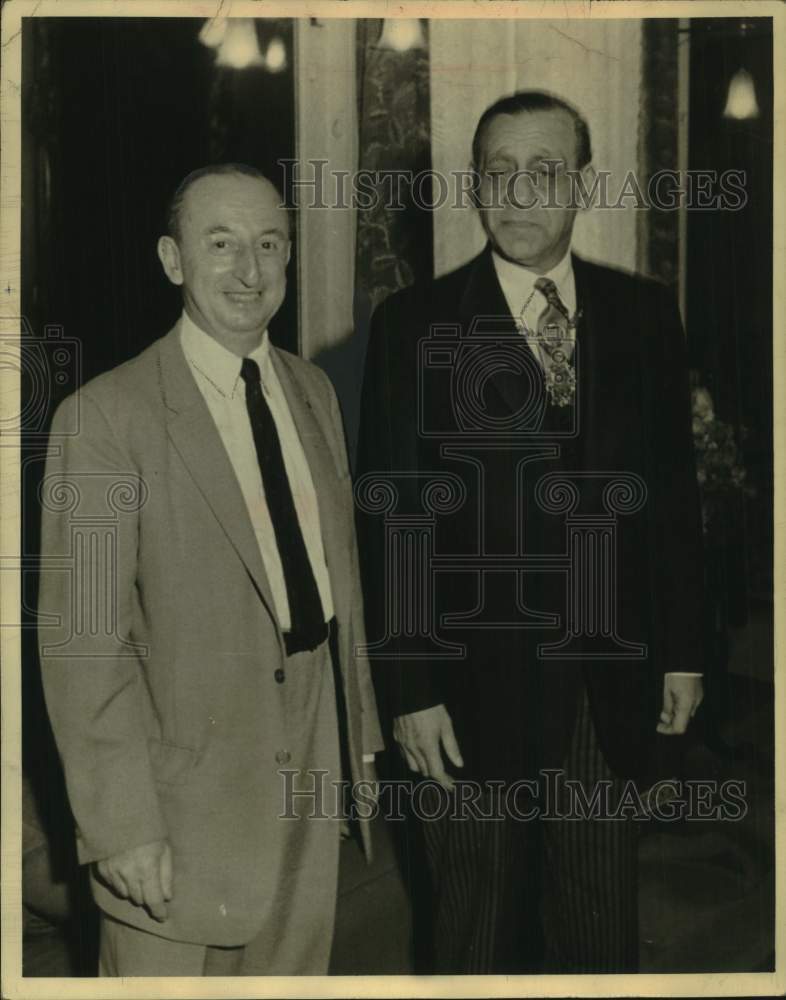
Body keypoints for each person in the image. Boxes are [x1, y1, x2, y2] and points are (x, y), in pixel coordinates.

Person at [356, 91, 704, 973]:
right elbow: (394, 520)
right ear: (475, 188)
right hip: (468, 697)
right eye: (499, 174)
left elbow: (671, 499)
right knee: (475, 931)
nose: (518, 194)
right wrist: (410, 691)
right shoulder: (414, 327)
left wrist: (684, 649)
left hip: (604, 683)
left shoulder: (643, 315)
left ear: (583, 184)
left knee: (597, 930)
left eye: (544, 172)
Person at [38, 163, 383, 976]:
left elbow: (340, 590)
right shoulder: (104, 419)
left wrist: (353, 748)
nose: (250, 271)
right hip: (178, 810)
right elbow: (85, 642)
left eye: (269, 245)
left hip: (308, 775)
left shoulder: (314, 393)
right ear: (172, 259)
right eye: (220, 244)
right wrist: (121, 824)